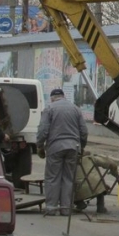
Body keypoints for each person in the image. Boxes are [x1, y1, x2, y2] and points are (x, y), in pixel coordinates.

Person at [36, 88, 89, 216]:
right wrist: (82, 146)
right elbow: (84, 131)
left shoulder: (49, 109)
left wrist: (39, 146)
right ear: (64, 96)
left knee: (53, 178)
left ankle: (51, 208)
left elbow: (43, 130)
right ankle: (66, 209)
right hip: (73, 147)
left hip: (55, 147)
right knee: (68, 178)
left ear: (52, 98)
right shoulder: (75, 109)